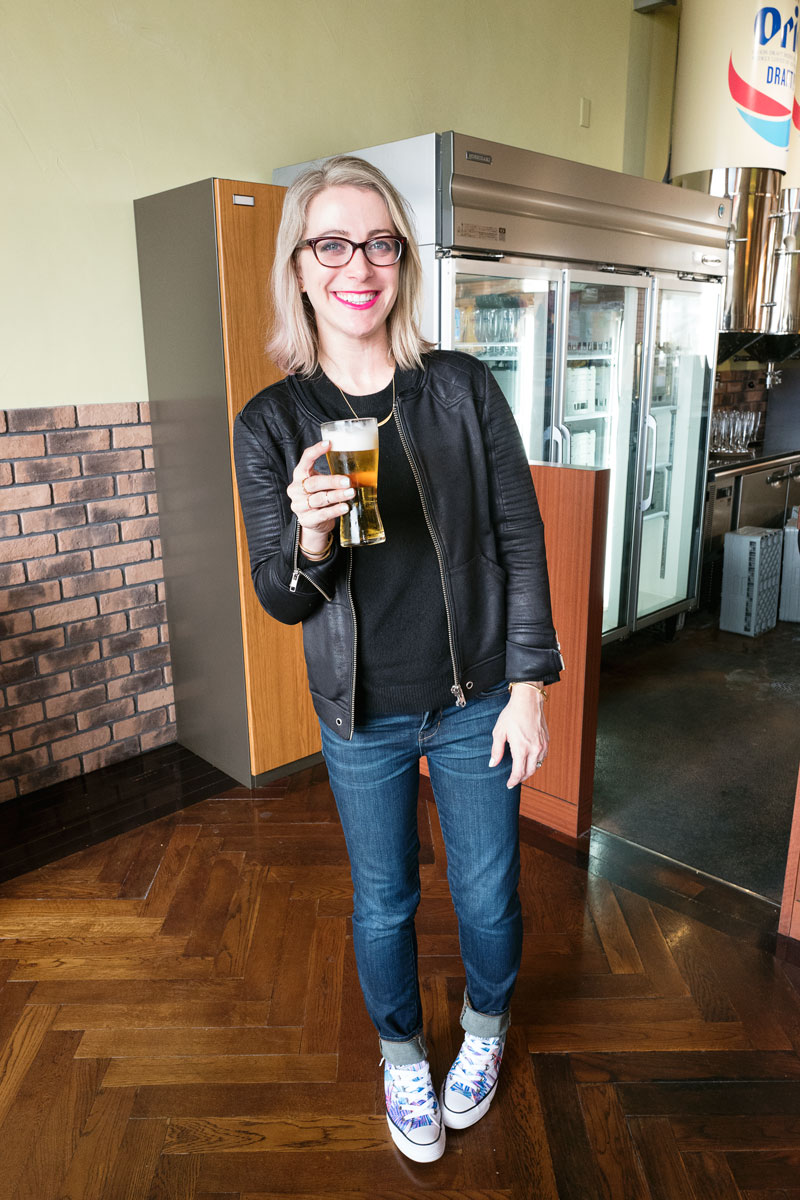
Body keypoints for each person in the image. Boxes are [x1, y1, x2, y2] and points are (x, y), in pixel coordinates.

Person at [233, 156, 563, 1164]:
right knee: (383, 900)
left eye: (379, 242)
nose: (358, 265)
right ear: (298, 267)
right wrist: (311, 536)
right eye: (331, 244)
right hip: (361, 714)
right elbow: (284, 598)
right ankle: (401, 1055)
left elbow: (519, 538)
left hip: (475, 702)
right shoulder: (271, 422)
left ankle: (485, 1031)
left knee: (487, 894)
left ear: (402, 260)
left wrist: (528, 687)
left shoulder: (459, 387)